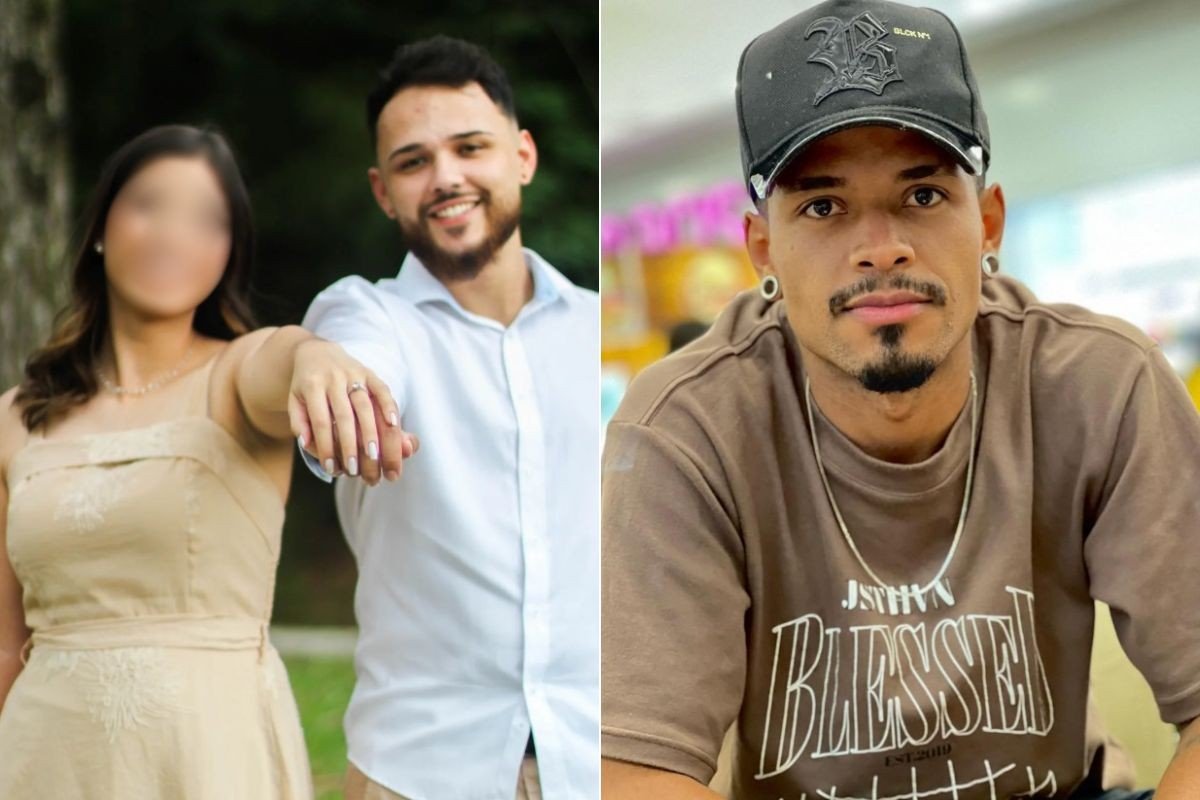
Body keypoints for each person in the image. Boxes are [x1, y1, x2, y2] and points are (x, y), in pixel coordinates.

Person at [600, 2, 1200, 799]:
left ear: (987, 223)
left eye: (922, 196)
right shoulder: (688, 428)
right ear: (761, 248)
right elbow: (634, 772)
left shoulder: (1098, 382)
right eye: (822, 206)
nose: (880, 247)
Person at [0, 124, 408, 798]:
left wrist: (316, 357)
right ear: (101, 226)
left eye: (206, 220)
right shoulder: (16, 418)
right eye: (149, 205)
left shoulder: (236, 379)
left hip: (208, 757)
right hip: (43, 760)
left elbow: (283, 358)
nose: (173, 234)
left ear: (229, 254)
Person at [299, 36, 599, 800]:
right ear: (383, 191)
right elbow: (349, 369)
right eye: (413, 162)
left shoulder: (601, 332)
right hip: (421, 771)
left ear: (523, 155)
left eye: (471, 147)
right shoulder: (364, 315)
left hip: (600, 761)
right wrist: (339, 388)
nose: (446, 178)